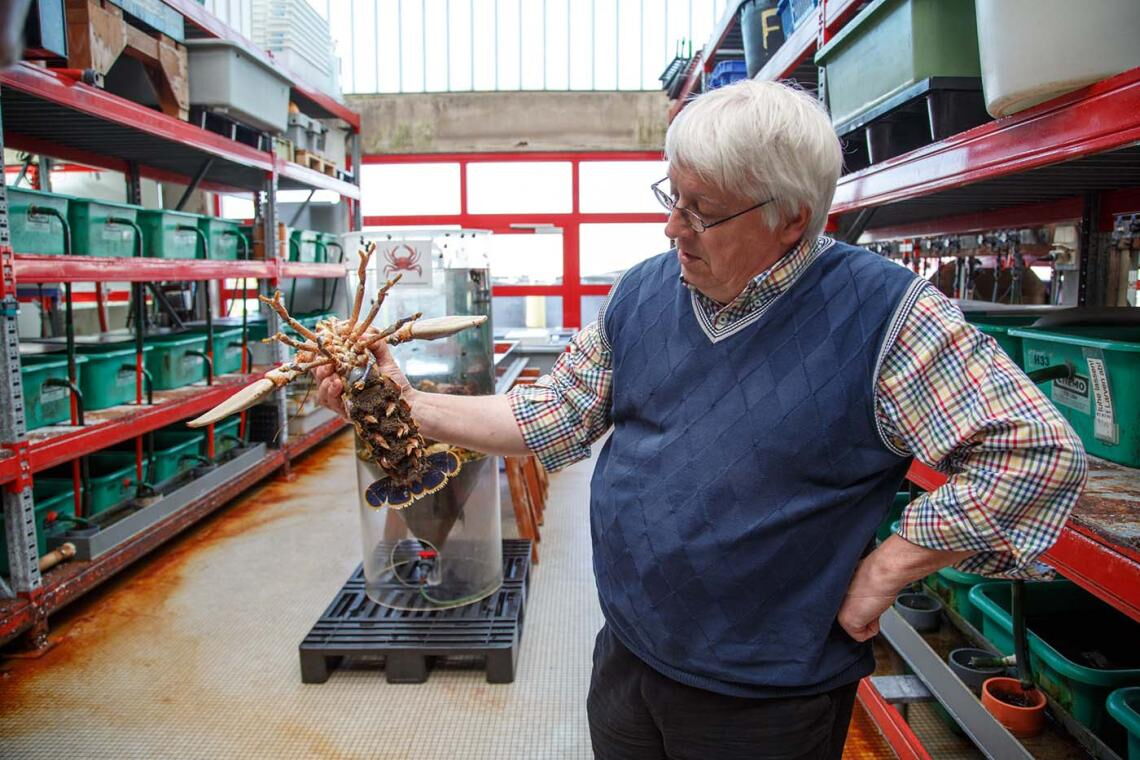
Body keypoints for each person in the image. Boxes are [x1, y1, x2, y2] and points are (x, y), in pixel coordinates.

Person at [314, 79, 1087, 759]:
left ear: (791, 219)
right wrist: (406, 405)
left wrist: (886, 571)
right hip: (628, 656)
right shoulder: (643, 293)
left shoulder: (887, 316)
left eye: (703, 211)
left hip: (764, 697)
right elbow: (552, 415)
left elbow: (1034, 456)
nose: (672, 228)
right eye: (670, 197)